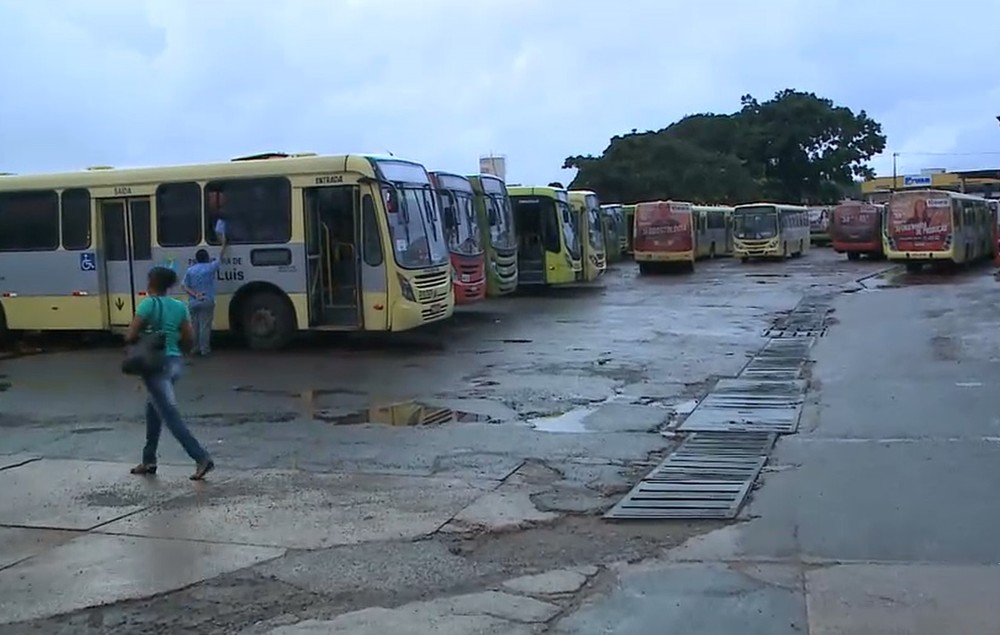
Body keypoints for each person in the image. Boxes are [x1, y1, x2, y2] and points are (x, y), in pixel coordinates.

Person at [126, 266, 215, 480]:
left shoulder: (148, 304)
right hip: (174, 363)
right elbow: (189, 337)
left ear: (151, 282)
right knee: (153, 409)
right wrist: (176, 349)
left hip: (155, 365)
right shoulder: (178, 306)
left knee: (170, 415)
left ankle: (202, 458)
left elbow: (131, 334)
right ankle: (149, 460)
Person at [181, 235, 228, 356]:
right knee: (205, 326)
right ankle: (204, 349)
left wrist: (195, 294)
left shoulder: (190, 270)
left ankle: (194, 348)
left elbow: (184, 286)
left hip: (193, 302)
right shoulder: (210, 267)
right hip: (207, 300)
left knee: (195, 326)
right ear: (207, 258)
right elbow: (220, 257)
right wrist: (223, 244)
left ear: (196, 259)